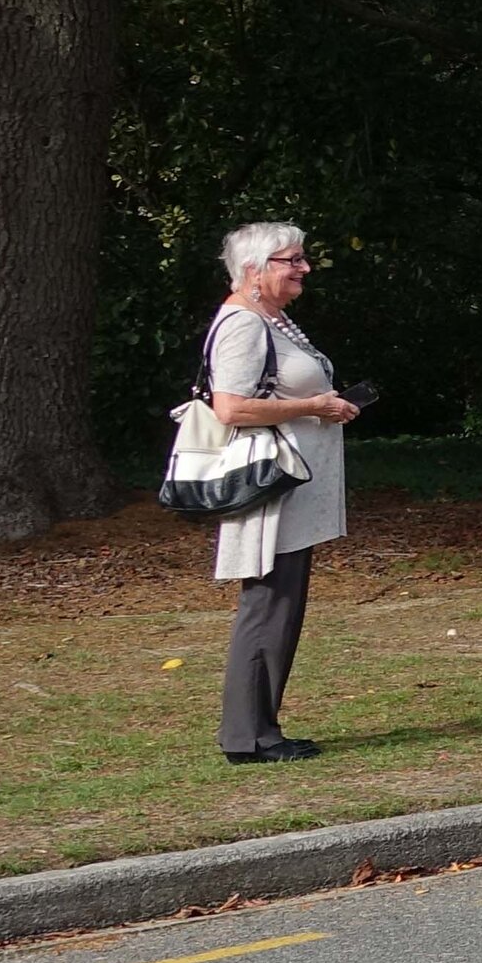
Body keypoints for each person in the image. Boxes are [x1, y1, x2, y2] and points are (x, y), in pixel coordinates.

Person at [204, 221, 359, 763]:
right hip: (270, 488)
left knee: (281, 604)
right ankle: (248, 737)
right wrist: (315, 406)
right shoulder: (243, 325)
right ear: (255, 269)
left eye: (301, 258)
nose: (304, 268)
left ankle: (260, 729)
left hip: (292, 489)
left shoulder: (274, 319)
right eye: (292, 259)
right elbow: (230, 407)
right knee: (269, 604)